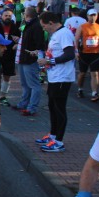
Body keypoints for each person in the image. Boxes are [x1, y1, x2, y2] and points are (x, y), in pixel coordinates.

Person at [35, 11, 77, 153]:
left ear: (51, 23)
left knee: (59, 108)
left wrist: (49, 61)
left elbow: (70, 54)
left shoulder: (64, 33)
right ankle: (53, 136)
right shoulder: (57, 34)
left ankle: (59, 141)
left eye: (44, 25)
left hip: (62, 77)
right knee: (52, 106)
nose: (43, 28)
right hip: (55, 76)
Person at [14, 7, 45, 116]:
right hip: (24, 58)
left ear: (27, 15)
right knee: (25, 83)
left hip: (29, 59)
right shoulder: (29, 25)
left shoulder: (35, 26)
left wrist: (35, 52)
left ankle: (32, 107)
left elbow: (39, 44)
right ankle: (24, 103)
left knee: (33, 84)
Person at [75, 8, 99, 102]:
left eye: (94, 15)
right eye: (90, 15)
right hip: (84, 54)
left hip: (95, 54)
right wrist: (76, 51)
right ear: (87, 16)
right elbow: (76, 39)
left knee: (95, 73)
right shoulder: (82, 27)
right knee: (82, 74)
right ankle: (80, 89)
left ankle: (94, 93)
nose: (92, 17)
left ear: (96, 16)